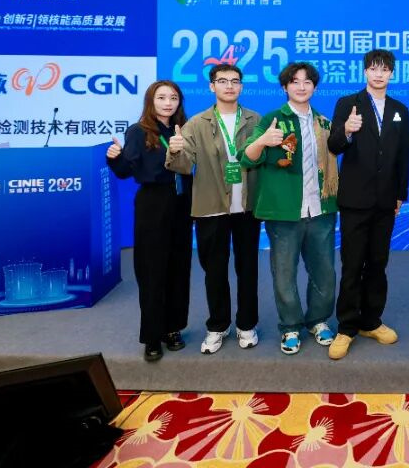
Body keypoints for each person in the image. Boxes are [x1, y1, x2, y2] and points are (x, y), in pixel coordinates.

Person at [239, 62, 338, 355]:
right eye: (295, 81)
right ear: (285, 87)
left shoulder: (324, 123)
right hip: (283, 212)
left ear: (315, 87)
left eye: (307, 82)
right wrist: (262, 141)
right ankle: (290, 326)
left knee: (325, 273)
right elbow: (246, 158)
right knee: (284, 274)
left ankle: (318, 320)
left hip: (320, 210)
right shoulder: (272, 119)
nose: (301, 86)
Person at [166, 64, 262, 355]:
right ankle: (218, 325)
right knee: (215, 271)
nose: (229, 86)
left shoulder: (256, 120)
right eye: (222, 81)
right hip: (211, 207)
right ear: (212, 86)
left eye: (235, 81)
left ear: (241, 86)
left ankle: (246, 324)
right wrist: (175, 150)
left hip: (247, 207)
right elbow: (184, 166)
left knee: (248, 269)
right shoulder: (197, 123)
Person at [326, 49, 409, 360]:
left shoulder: (400, 109)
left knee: (378, 263)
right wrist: (346, 131)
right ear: (365, 72)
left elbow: (403, 155)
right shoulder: (347, 103)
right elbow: (334, 145)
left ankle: (371, 321)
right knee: (352, 265)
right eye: (373, 69)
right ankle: (346, 327)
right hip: (355, 200)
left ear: (391, 74)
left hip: (386, 201)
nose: (379, 74)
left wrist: (400, 194)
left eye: (384, 69)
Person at [106, 80, 193, 362]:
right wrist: (115, 158)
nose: (168, 103)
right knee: (152, 271)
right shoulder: (139, 131)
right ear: (151, 101)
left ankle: (173, 328)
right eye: (162, 97)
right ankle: (153, 336)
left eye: (173, 98)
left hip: (182, 203)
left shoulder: (185, 129)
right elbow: (125, 171)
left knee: (179, 269)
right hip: (153, 205)